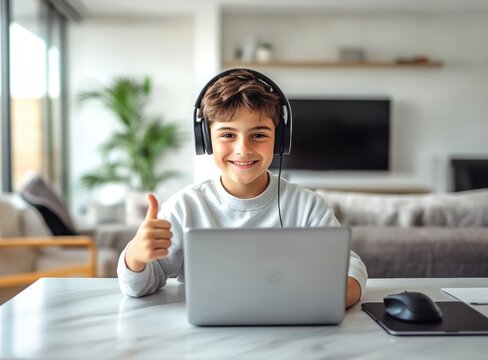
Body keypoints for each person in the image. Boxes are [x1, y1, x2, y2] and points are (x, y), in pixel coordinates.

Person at [117, 69, 368, 308]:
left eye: (258, 135)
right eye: (227, 135)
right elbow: (140, 286)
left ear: (280, 140)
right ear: (206, 140)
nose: (243, 149)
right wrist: (136, 257)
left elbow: (350, 266)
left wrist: (326, 301)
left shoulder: (307, 207)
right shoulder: (186, 207)